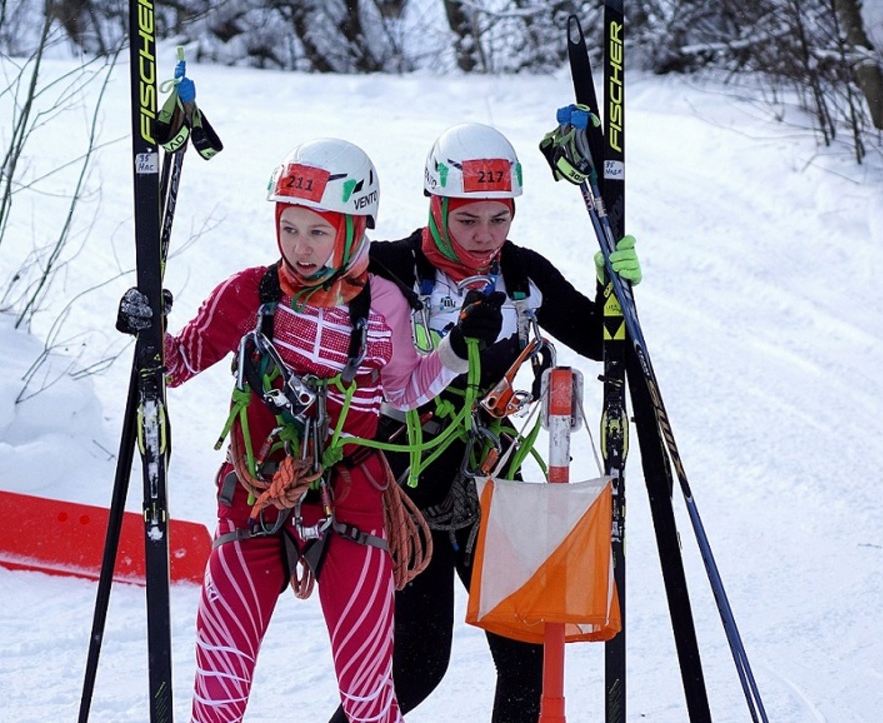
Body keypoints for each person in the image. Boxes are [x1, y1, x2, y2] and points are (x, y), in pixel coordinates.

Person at [116, 138, 505, 723]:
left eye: (319, 232)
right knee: (220, 676)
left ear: (355, 229)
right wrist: (147, 330)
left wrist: (452, 353)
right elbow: (174, 364)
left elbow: (400, 391)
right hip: (256, 494)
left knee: (369, 686)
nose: (301, 247)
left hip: (355, 497)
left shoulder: (386, 305)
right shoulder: (250, 293)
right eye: (290, 228)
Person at [328, 123, 642, 723]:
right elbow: (311, 303)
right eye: (467, 219)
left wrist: (614, 289)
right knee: (416, 666)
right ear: (437, 206)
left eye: (499, 219)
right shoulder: (388, 267)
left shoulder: (521, 274)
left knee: (527, 653)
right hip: (402, 488)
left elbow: (605, 343)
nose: (484, 237)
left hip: (490, 481)